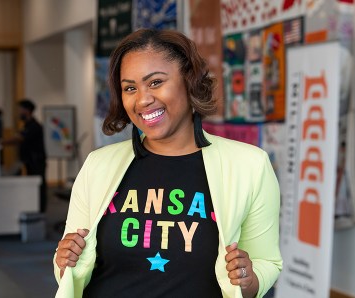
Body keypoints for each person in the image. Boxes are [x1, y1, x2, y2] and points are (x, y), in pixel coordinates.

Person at [54, 29, 282, 298]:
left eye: (155, 82)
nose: (142, 99)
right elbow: (68, 270)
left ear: (189, 81)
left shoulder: (249, 166)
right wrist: (64, 260)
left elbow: (267, 263)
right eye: (130, 88)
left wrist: (247, 278)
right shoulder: (98, 166)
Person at [0, 99, 47, 213]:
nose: (18, 113)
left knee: (38, 187)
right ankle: (35, 209)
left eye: (20, 110)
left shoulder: (34, 126)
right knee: (32, 187)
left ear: (27, 110)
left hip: (36, 162)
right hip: (30, 161)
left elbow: (19, 138)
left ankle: (39, 212)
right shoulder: (26, 125)